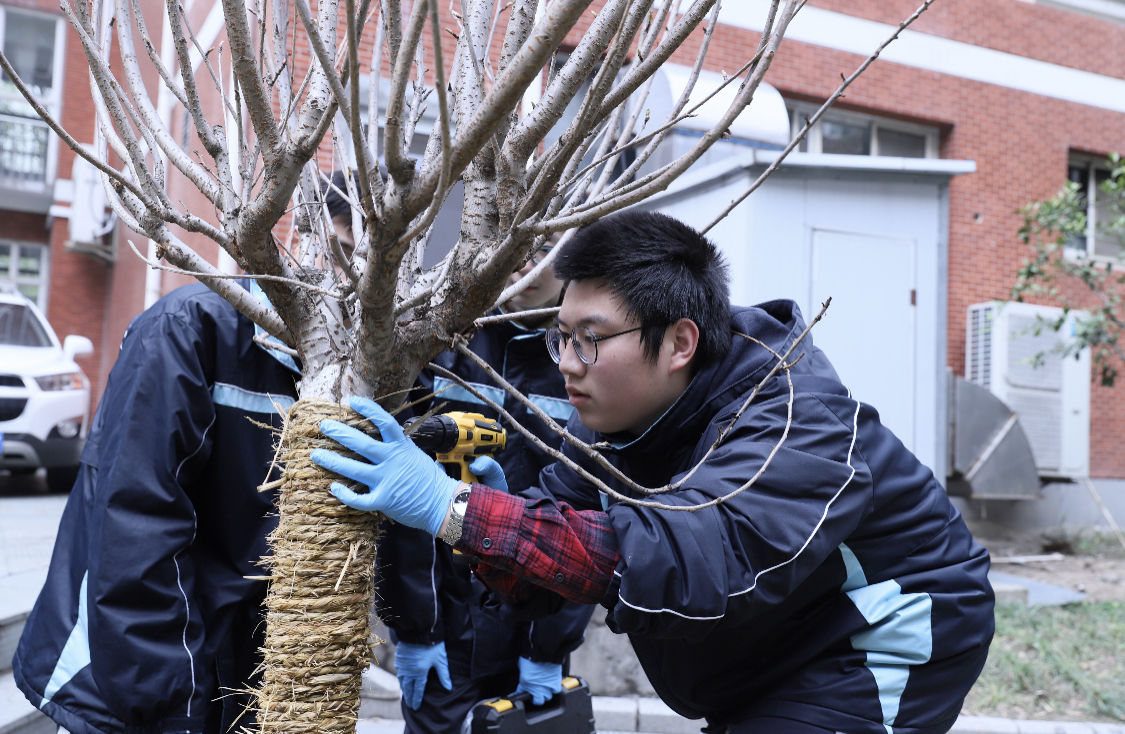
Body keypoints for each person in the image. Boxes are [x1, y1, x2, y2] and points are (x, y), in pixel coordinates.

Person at [311, 210, 996, 734]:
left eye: (590, 339)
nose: (566, 362)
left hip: (875, 639)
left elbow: (690, 560)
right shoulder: (609, 420)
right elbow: (557, 566)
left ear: (677, 342)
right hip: (759, 650)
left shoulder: (794, 419)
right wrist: (491, 531)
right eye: (560, 335)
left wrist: (455, 510)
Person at [12, 177, 354, 734]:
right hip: (126, 677)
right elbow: (136, 529)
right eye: (350, 246)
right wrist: (173, 708)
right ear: (310, 240)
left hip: (232, 674)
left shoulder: (348, 367)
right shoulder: (187, 331)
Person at [376, 234, 594, 733]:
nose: (519, 268)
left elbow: (587, 513)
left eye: (538, 255)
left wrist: (549, 646)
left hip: (532, 629)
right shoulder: (445, 344)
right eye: (511, 248)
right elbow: (402, 499)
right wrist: (415, 627)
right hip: (445, 634)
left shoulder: (586, 360)